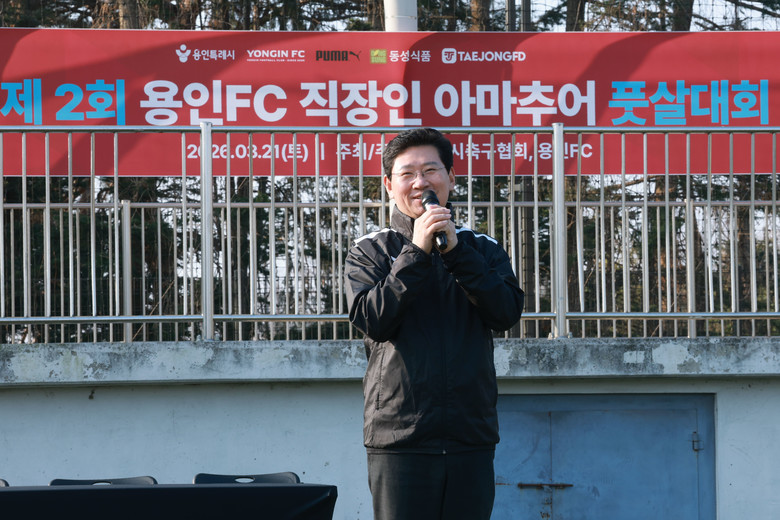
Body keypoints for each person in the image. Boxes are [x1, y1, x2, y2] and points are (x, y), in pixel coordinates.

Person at [345, 127, 524, 520]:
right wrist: (416, 251)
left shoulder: (482, 248)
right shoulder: (370, 250)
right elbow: (374, 320)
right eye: (407, 174)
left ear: (451, 178)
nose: (420, 182)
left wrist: (456, 253)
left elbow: (506, 313)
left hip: (470, 435)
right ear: (389, 185)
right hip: (399, 437)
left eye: (430, 170)